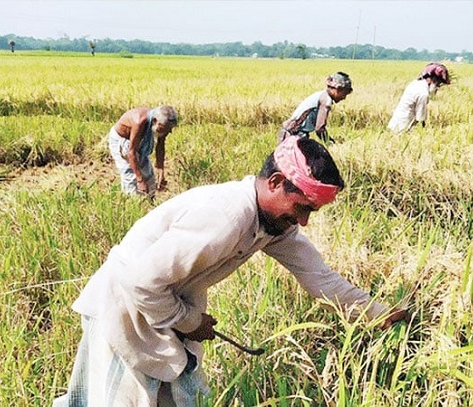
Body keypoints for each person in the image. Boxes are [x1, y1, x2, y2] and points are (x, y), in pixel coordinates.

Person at [54, 136, 408, 406]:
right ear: (274, 182)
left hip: (164, 307)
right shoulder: (227, 216)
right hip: (124, 307)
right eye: (301, 207)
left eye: (311, 211)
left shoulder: (273, 225)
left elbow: (321, 278)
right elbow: (140, 282)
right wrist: (191, 322)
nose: (303, 220)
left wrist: (379, 314)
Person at [107, 105, 178, 197]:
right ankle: (131, 202)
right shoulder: (139, 122)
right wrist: (140, 180)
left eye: (169, 130)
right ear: (155, 121)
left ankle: (150, 201)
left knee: (149, 175)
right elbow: (131, 153)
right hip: (122, 140)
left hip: (138, 139)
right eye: (164, 129)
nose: (168, 132)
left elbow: (160, 147)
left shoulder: (163, 125)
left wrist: (161, 173)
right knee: (131, 175)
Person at [278, 72, 353, 144]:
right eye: (344, 94)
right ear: (337, 89)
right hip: (294, 136)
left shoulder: (321, 95)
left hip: (289, 133)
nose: (344, 98)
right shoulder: (326, 101)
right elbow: (319, 129)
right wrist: (329, 143)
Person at [387, 63, 451, 134]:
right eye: (437, 83)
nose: (437, 87)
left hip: (394, 123)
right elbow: (420, 119)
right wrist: (423, 134)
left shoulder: (414, 83)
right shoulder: (423, 93)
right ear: (431, 79)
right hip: (402, 128)